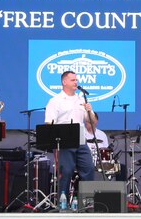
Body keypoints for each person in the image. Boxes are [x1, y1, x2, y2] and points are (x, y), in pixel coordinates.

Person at [44, 70, 96, 198]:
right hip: (64, 142)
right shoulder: (55, 101)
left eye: (76, 80)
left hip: (80, 139)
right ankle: (63, 203)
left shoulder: (81, 99)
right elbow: (49, 124)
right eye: (73, 80)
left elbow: (92, 121)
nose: (76, 82)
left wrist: (90, 111)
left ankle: (87, 202)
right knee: (66, 172)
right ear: (64, 82)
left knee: (89, 168)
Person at [84, 112, 112, 179]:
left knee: (120, 167)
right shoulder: (81, 133)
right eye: (88, 121)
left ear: (96, 121)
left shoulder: (102, 134)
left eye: (92, 121)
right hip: (85, 162)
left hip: (100, 163)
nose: (90, 124)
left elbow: (106, 150)